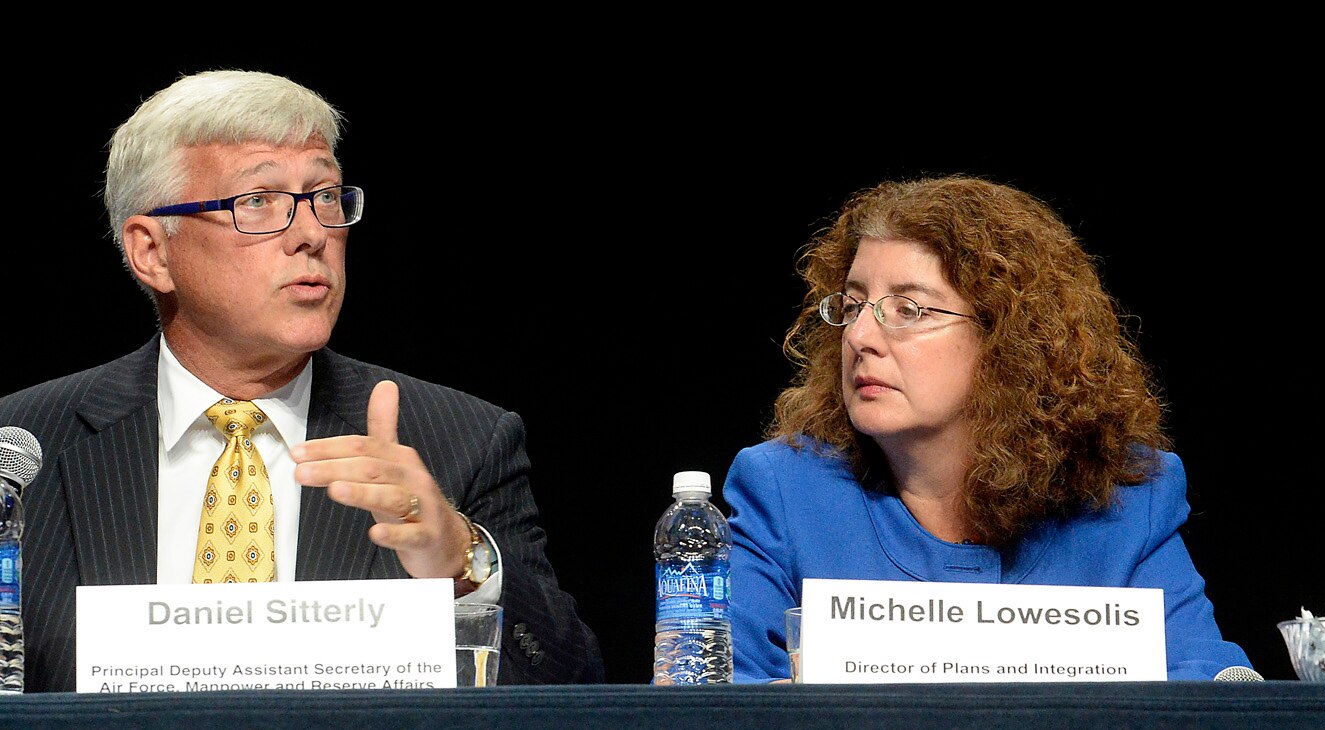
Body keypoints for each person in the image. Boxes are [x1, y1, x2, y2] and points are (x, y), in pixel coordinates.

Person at [0, 70, 603, 691]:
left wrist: (463, 561)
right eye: (258, 201)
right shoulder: (22, 451)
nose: (313, 234)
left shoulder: (460, 443)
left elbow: (574, 685)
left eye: (325, 196)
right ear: (153, 252)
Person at [723, 176, 1252, 682]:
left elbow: (1210, 680)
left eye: (907, 309)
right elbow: (713, 696)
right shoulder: (785, 492)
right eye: (853, 304)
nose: (860, 335)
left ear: (1008, 341)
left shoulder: (1126, 500)